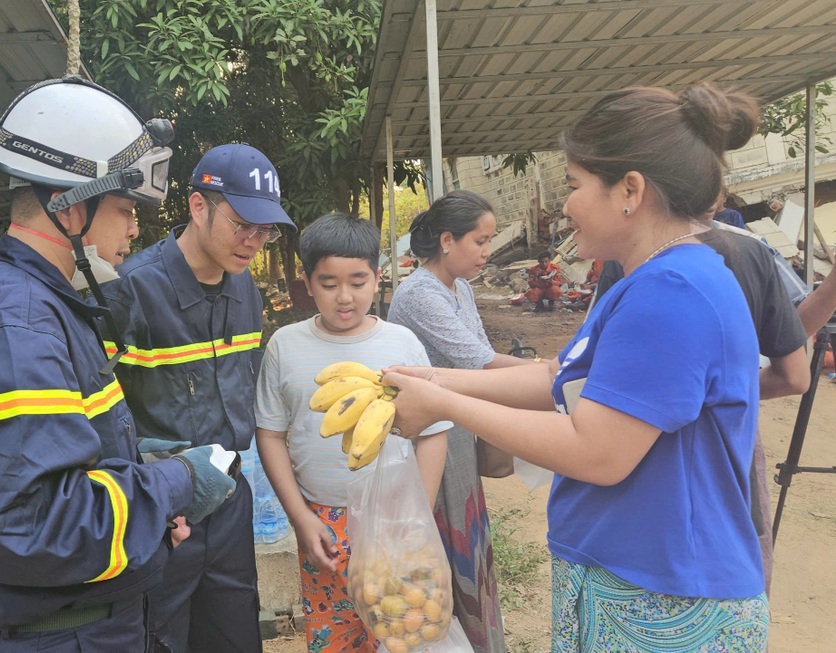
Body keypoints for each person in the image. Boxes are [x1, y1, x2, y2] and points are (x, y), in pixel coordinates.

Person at [382, 83, 772, 650]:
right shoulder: (645, 282)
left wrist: (441, 405)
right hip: (629, 576)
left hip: (663, 599)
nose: (564, 204)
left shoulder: (672, 293)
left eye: (573, 185)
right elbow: (557, 379)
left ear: (629, 192)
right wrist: (435, 378)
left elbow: (598, 451)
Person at [0, 76, 237, 652]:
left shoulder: (40, 303)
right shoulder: (17, 320)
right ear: (69, 209)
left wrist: (135, 468)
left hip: (83, 624)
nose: (136, 229)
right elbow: (29, 524)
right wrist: (175, 482)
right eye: (124, 208)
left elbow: (52, 463)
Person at [99, 142, 296, 652]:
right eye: (242, 223)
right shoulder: (131, 292)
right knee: (160, 638)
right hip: (163, 515)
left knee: (234, 634)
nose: (254, 241)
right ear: (198, 206)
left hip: (229, 505)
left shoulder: (244, 290)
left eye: (265, 228)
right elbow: (98, 422)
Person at [254, 213, 449, 652]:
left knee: (405, 627)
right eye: (328, 283)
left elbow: (434, 433)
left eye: (358, 282)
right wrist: (300, 518)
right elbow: (270, 434)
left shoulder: (402, 345)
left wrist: (418, 513)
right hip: (322, 523)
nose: (345, 297)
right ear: (305, 281)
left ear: (378, 277)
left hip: (396, 516)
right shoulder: (285, 346)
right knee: (336, 635)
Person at [387, 190, 531, 653]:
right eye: (480, 240)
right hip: (431, 440)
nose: (487, 251)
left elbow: (480, 353)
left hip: (460, 429)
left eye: (489, 240)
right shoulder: (418, 294)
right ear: (447, 240)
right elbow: (480, 362)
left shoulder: (461, 288)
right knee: (441, 544)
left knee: (467, 540)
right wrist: (551, 375)